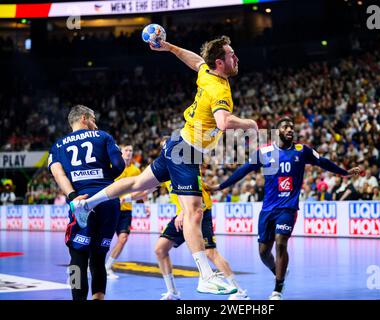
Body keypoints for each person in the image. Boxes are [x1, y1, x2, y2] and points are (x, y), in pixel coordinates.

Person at [69, 35, 258, 294]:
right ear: (220, 62)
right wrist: (250, 124)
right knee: (193, 212)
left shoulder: (209, 74)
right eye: (231, 54)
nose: (236, 57)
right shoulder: (219, 89)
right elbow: (224, 123)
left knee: (138, 183)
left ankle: (86, 203)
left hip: (179, 144)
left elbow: (196, 61)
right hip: (186, 150)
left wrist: (169, 47)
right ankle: (205, 275)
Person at [206, 117, 361, 300]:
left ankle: (278, 289)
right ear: (277, 130)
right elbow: (242, 171)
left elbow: (324, 162)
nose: (290, 129)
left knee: (281, 242)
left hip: (288, 207)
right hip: (268, 209)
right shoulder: (264, 152)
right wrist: (219, 187)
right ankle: (279, 272)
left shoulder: (302, 150)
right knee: (263, 252)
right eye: (285, 126)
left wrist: (344, 173)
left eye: (291, 127)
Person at [48, 105, 125, 300]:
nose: (95, 124)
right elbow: (119, 165)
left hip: (82, 201)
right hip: (107, 200)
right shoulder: (103, 136)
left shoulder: (58, 146)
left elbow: (58, 173)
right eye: (93, 119)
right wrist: (104, 181)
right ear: (84, 118)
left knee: (77, 259)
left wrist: (74, 197)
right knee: (99, 259)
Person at [155, 177, 248, 300]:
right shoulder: (164, 168)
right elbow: (146, 186)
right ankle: (173, 293)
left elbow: (196, 194)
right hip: (181, 215)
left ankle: (240, 291)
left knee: (211, 253)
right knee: (160, 249)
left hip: (199, 212)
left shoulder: (185, 163)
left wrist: (183, 213)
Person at [105, 144, 147, 279]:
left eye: (131, 150)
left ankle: (107, 267)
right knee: (103, 239)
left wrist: (146, 204)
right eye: (126, 150)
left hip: (126, 210)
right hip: (111, 208)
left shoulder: (135, 170)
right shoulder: (114, 167)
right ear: (121, 152)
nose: (129, 152)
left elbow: (142, 188)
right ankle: (91, 263)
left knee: (123, 238)